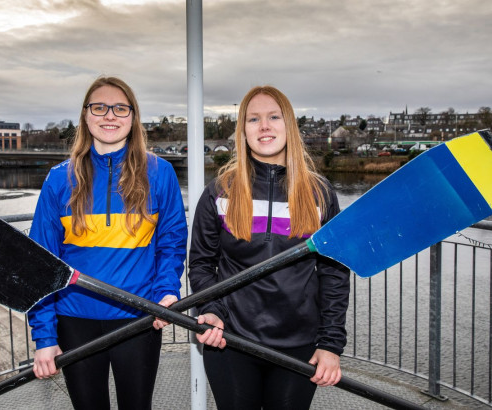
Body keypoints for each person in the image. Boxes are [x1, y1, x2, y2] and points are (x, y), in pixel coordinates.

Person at [27, 76, 188, 410]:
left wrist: (166, 291)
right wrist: (44, 337)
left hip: (139, 318)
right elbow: (40, 262)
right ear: (86, 116)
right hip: (74, 321)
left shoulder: (159, 173)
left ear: (133, 116)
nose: (109, 115)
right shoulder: (60, 178)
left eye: (120, 108)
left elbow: (171, 243)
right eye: (99, 107)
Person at [188, 85, 350, 410]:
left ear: (288, 124)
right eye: (253, 119)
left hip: (298, 344)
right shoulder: (220, 191)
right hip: (230, 341)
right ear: (242, 131)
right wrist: (211, 310)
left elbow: (334, 273)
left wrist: (331, 344)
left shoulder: (320, 194)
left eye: (274, 117)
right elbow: (202, 264)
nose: (264, 126)